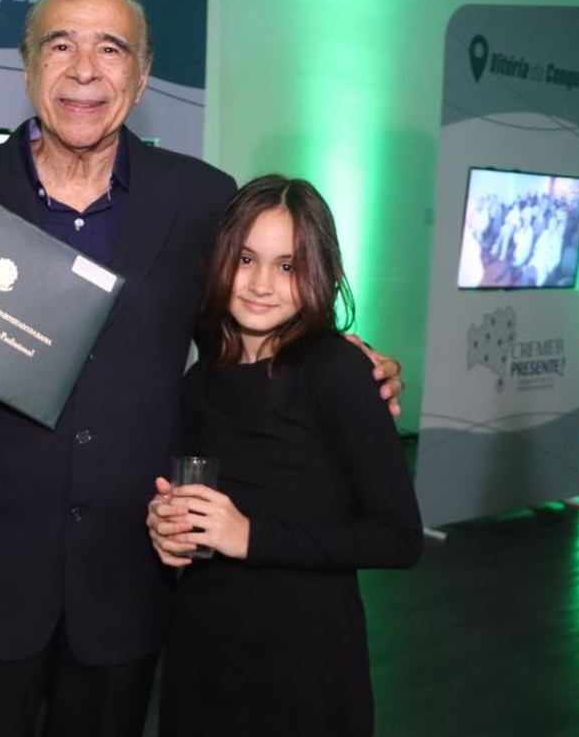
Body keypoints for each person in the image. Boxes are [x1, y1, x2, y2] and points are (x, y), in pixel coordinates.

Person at [0, 0, 404, 737]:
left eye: (110, 49)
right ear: (27, 66)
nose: (84, 70)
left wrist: (341, 359)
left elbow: (241, 336)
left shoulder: (202, 201)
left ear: (143, 72)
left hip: (128, 583)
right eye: (60, 45)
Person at [146, 175, 423, 736]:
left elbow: (399, 538)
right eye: (246, 259)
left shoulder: (339, 373)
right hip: (202, 657)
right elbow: (189, 509)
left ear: (318, 273)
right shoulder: (200, 382)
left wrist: (251, 536)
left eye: (288, 266)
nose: (261, 284)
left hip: (306, 665)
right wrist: (164, 527)